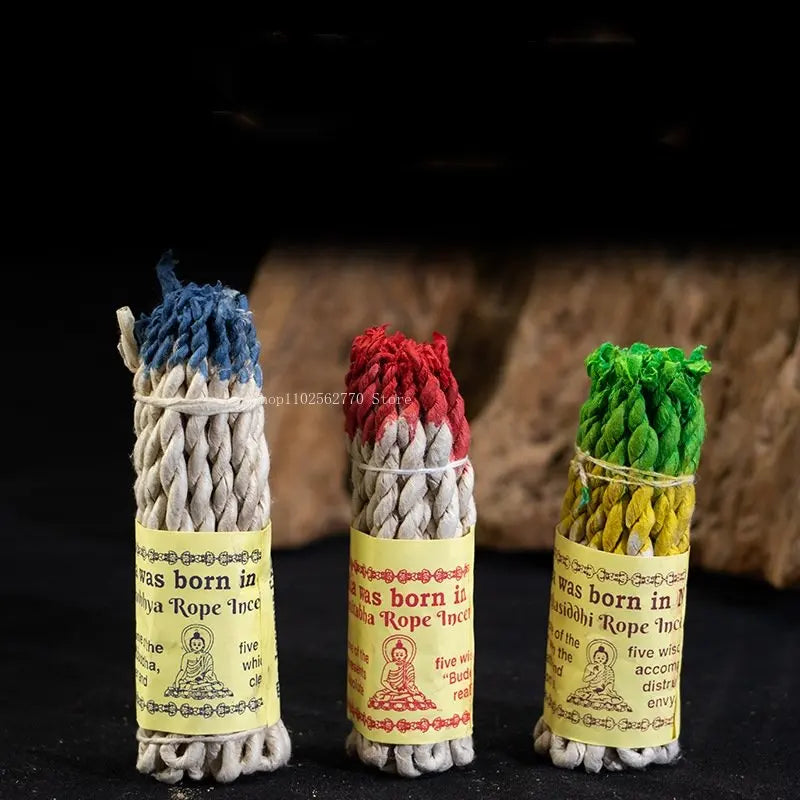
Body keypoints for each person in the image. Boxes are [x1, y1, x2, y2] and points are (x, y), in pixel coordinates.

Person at [368, 637, 435, 712]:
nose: (399, 657)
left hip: (406, 691)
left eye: (401, 655)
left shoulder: (408, 666)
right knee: (379, 695)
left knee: (419, 697)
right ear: (393, 655)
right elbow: (384, 680)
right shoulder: (389, 665)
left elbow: (411, 681)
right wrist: (394, 690)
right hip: (391, 690)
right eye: (397, 654)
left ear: (406, 655)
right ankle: (404, 700)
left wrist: (409, 688)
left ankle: (397, 699)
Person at [165, 630, 233, 699]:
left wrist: (204, 677)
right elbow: (182, 670)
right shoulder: (187, 656)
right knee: (182, 685)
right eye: (194, 644)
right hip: (190, 679)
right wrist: (177, 681)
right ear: (190, 645)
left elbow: (210, 671)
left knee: (218, 685)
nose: (196, 646)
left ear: (203, 645)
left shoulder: (207, 656)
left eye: (199, 644)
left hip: (204, 680)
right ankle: (199, 687)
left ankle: (198, 687)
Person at [567, 642, 632, 712]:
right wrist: (594, 675)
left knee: (615, 699)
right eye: (598, 657)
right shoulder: (590, 667)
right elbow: (585, 679)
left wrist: (606, 689)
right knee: (579, 693)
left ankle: (600, 698)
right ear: (594, 657)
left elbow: (610, 681)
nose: (600, 659)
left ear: (606, 659)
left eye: (603, 658)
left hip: (605, 691)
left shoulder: (608, 669)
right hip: (591, 689)